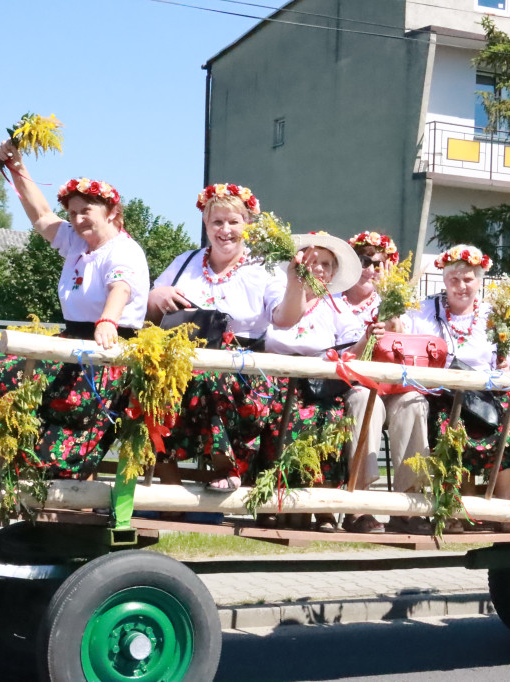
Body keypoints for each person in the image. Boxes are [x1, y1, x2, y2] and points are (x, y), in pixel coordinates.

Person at [0, 141, 150, 480]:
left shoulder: (124, 250)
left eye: (85, 212)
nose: (77, 220)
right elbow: (41, 215)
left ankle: (43, 472)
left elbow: (120, 287)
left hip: (108, 351)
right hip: (71, 343)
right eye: (73, 213)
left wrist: (108, 320)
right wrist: (17, 166)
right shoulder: (77, 241)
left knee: (68, 415)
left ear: (110, 211)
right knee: (1, 372)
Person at [147, 184, 313, 492]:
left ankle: (226, 465)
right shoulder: (186, 262)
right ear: (206, 225)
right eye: (217, 222)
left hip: (245, 371)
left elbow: (285, 320)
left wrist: (294, 284)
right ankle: (169, 488)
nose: (225, 230)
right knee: (148, 383)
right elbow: (149, 310)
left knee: (210, 376)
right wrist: (158, 295)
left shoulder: (262, 269)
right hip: (183, 358)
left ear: (248, 224)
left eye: (233, 222)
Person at [387, 245, 510, 534]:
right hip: (439, 395)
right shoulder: (423, 311)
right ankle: (450, 507)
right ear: (444, 280)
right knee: (444, 426)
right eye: (454, 279)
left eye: (468, 279)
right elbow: (403, 341)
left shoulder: (495, 315)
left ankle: (501, 506)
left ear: (480, 280)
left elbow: (508, 366)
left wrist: (503, 366)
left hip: (482, 395)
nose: (461, 286)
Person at [252, 232, 364, 532]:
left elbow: (353, 348)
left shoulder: (338, 307)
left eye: (326, 264)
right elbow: (275, 325)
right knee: (278, 417)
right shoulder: (280, 289)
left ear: (332, 273)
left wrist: (368, 337)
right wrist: (295, 285)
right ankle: (270, 501)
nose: (319, 269)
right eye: (313, 261)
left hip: (319, 386)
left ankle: (322, 506)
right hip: (277, 380)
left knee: (329, 419)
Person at [336, 230, 400, 533]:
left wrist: (396, 322)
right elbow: (331, 355)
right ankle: (359, 505)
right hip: (348, 385)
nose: (372, 269)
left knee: (415, 404)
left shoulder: (394, 303)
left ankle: (409, 506)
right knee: (364, 398)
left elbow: (405, 355)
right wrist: (362, 343)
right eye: (365, 261)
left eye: (379, 264)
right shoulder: (333, 303)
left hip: (392, 386)